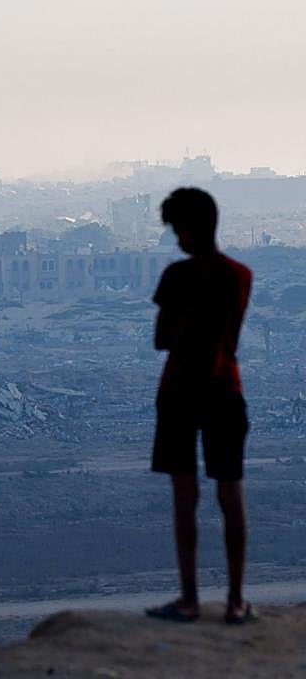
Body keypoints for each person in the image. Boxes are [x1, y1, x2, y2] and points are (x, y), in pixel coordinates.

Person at [145, 188, 254, 625]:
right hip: (225, 390)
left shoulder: (176, 277)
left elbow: (161, 339)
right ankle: (235, 601)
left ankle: (189, 599)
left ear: (189, 228)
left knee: (184, 497)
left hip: (179, 393)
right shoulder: (240, 275)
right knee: (231, 496)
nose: (175, 239)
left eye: (176, 229)